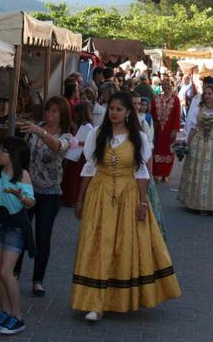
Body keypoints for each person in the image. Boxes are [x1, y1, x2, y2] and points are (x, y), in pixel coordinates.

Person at [71, 92, 181, 321]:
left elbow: (142, 173)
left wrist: (143, 202)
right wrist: (80, 200)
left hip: (128, 196)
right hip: (99, 195)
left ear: (128, 112)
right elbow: (89, 169)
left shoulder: (138, 137)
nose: (114, 113)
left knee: (124, 246)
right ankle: (94, 303)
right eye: (112, 108)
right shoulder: (97, 135)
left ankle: (120, 297)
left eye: (119, 109)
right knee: (97, 245)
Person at [14, 97, 72, 297]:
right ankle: (14, 272)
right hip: (28, 189)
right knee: (21, 231)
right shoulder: (35, 129)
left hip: (50, 193)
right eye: (48, 110)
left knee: (42, 238)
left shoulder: (66, 136)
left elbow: (58, 146)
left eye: (55, 111)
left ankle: (38, 279)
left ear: (62, 115)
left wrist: (40, 132)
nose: (50, 115)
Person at [0, 137, 35, 335]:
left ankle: (18, 317)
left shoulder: (23, 176)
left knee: (6, 272)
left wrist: (21, 196)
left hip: (15, 228)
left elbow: (31, 203)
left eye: (3, 151)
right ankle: (5, 312)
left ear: (13, 156)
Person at [178, 84, 213, 213]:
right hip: (199, 144)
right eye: (205, 94)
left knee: (212, 174)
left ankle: (211, 205)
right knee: (197, 172)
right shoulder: (198, 108)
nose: (207, 96)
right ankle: (196, 203)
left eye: (209, 94)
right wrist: (187, 144)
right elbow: (193, 128)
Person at [131, 92, 165, 237]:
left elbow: (148, 146)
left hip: (139, 167)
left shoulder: (145, 120)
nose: (137, 106)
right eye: (134, 103)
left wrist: (149, 171)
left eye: (139, 103)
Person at [62, 102, 94, 206]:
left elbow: (91, 142)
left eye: (76, 113)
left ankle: (73, 198)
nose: (74, 115)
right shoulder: (81, 125)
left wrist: (76, 141)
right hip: (76, 154)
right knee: (71, 177)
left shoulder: (88, 126)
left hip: (81, 156)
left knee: (75, 178)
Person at [150, 78, 181, 183]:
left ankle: (165, 174)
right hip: (158, 131)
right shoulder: (156, 99)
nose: (166, 86)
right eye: (164, 85)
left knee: (168, 151)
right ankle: (156, 173)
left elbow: (177, 116)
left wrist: (175, 130)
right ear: (161, 86)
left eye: (168, 85)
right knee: (157, 150)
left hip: (170, 130)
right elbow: (152, 114)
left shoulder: (175, 100)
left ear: (171, 86)